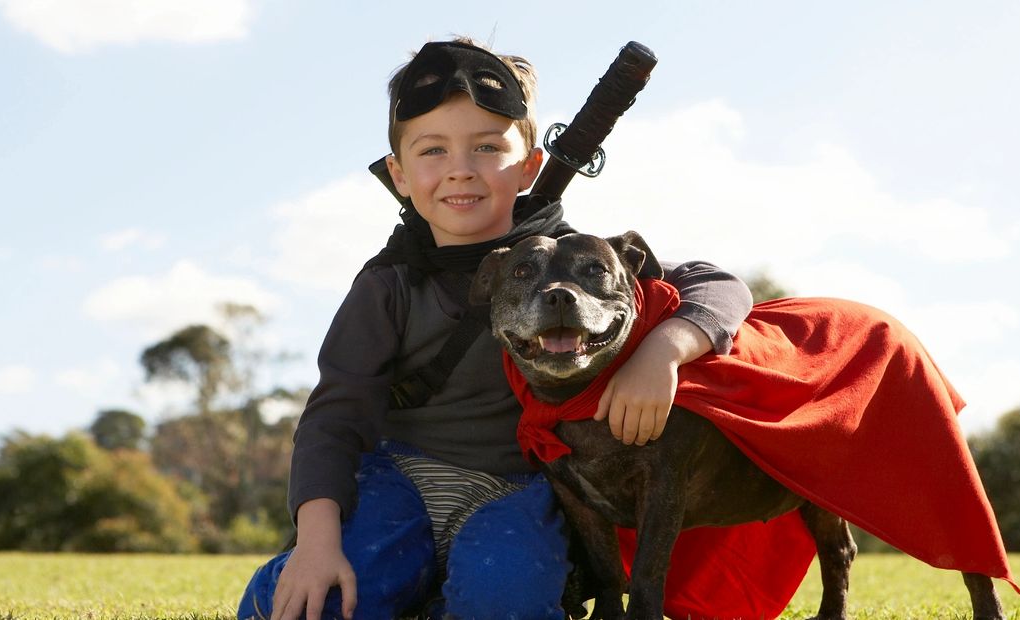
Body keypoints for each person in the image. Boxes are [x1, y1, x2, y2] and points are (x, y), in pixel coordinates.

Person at [237, 37, 751, 620]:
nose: (461, 169)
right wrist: (316, 544)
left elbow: (721, 285)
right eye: (433, 151)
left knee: (505, 602)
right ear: (399, 175)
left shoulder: (582, 263)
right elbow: (333, 418)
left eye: (487, 146)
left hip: (519, 488)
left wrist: (663, 350)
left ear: (530, 166)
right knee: (329, 600)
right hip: (398, 474)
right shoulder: (389, 284)